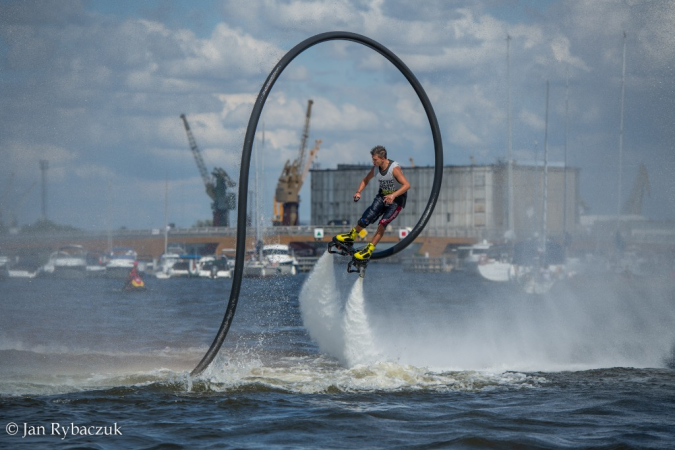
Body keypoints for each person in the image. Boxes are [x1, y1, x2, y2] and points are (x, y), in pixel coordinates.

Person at [333, 145, 410, 261]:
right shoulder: (375, 169)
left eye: (375, 159)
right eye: (372, 159)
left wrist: (393, 195)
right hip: (382, 196)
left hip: (397, 200)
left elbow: (407, 185)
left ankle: (369, 249)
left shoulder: (394, 169)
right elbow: (365, 180)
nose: (373, 161)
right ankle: (351, 236)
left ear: (382, 158)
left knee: (382, 224)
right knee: (367, 217)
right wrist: (358, 192)